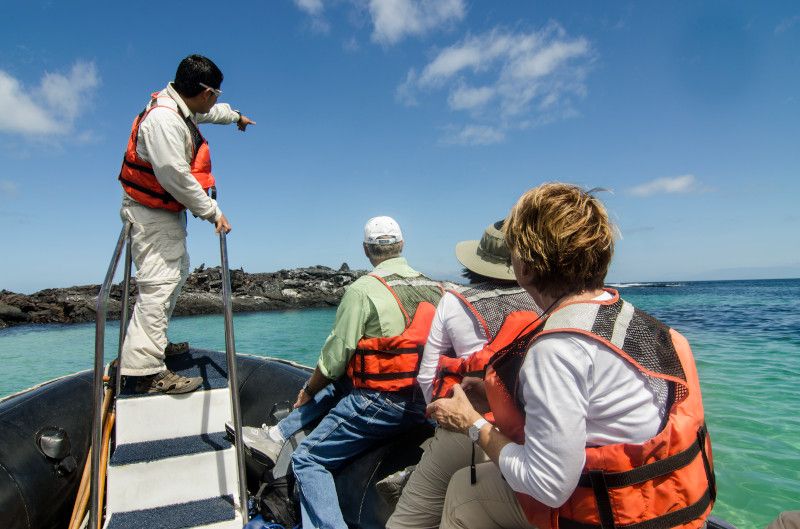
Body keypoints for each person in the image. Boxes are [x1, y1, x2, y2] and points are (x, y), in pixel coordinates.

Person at [426, 183, 716, 529]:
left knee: (464, 493)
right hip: (673, 509)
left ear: (527, 269)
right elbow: (603, 404)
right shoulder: (638, 324)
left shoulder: (556, 351)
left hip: (611, 517)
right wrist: (490, 394)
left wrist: (471, 425)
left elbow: (547, 486)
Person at [236, 216, 444, 529]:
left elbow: (335, 357)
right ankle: (277, 434)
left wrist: (307, 390)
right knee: (340, 386)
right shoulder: (437, 288)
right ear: (402, 245)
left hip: (380, 405)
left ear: (366, 249)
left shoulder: (363, 290)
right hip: (424, 404)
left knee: (308, 459)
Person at [385, 221, 540, 527]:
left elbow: (427, 377)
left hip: (472, 432)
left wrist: (441, 417)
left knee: (404, 524)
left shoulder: (455, 301)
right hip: (531, 436)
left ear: (477, 261)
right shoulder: (544, 300)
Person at [118, 54, 254, 394]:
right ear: (205, 91)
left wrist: (235, 116)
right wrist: (212, 211)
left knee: (173, 275)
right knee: (159, 284)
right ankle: (145, 371)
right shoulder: (164, 122)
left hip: (161, 214)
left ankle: (152, 347)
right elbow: (175, 177)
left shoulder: (180, 105)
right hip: (150, 215)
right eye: (217, 94)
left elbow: (211, 113)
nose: (216, 101)